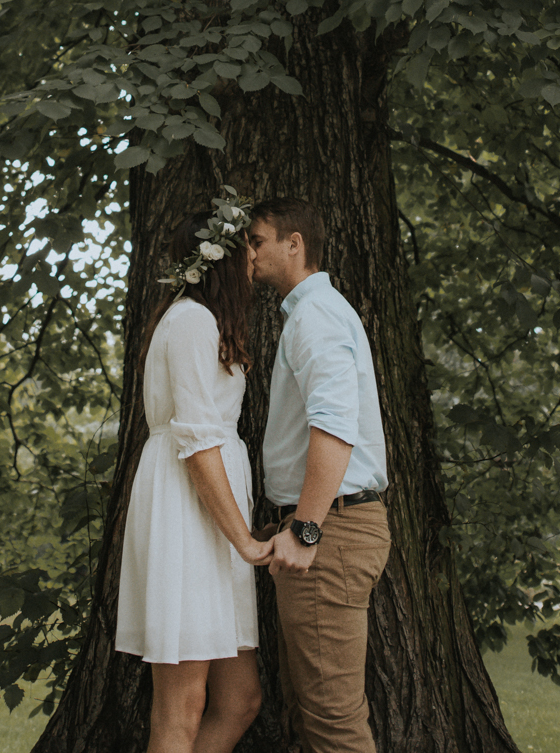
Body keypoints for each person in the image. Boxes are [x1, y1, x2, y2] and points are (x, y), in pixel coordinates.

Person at [116, 187, 274, 753]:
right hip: (186, 514)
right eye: (248, 248)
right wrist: (246, 542)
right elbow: (198, 444)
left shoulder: (206, 322)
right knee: (181, 706)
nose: (255, 259)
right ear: (222, 259)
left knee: (240, 700)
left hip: (214, 520)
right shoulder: (188, 322)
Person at [250, 198, 390, 753]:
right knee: (310, 716)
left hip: (331, 531)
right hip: (332, 527)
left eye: (257, 241)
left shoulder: (315, 315)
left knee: (332, 722)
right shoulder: (314, 313)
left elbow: (334, 425)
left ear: (295, 244)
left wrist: (306, 529)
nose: (249, 254)